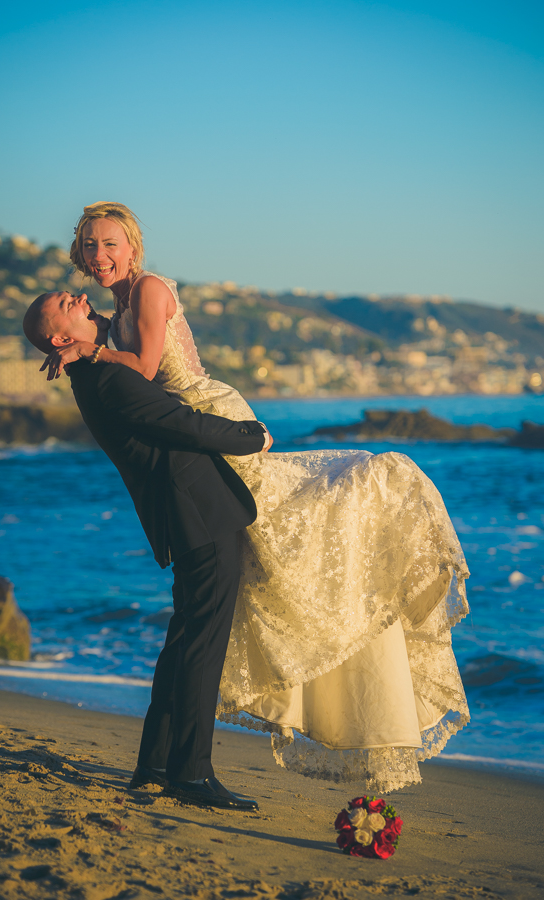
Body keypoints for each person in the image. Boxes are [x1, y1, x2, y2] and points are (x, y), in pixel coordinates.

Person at [40, 201, 471, 794]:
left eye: (108, 243)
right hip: (198, 474)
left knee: (301, 526)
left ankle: (165, 765)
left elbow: (144, 373)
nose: (98, 256)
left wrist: (86, 349)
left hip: (211, 422)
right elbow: (142, 385)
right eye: (89, 246)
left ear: (132, 247)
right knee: (210, 621)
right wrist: (85, 348)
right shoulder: (109, 329)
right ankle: (180, 770)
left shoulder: (143, 297)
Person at [23, 291, 272, 811]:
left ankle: (155, 764)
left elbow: (129, 333)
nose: (80, 296)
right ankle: (191, 773)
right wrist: (250, 437)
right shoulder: (108, 379)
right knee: (202, 646)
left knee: (184, 642)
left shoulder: (93, 374)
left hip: (185, 518)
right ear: (61, 338)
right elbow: (180, 423)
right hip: (200, 517)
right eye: (68, 303)